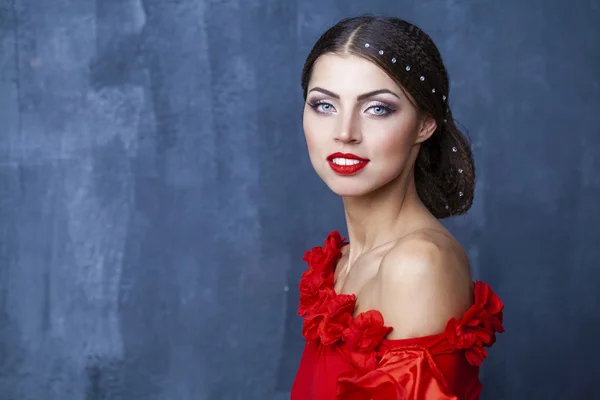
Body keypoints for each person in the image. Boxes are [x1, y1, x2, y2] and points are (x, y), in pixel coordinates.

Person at [291, 16, 504, 400]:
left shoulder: (418, 265)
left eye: (377, 109)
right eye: (324, 105)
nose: (344, 131)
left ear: (425, 123)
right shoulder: (341, 262)